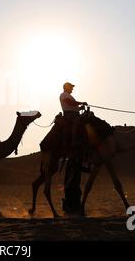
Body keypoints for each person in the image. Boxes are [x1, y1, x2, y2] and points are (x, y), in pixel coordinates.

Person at [59, 82, 88, 215]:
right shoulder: (64, 95)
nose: (72, 89)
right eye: (71, 87)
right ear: (66, 87)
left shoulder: (69, 96)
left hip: (74, 114)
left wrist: (80, 105)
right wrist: (80, 103)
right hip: (70, 116)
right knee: (79, 123)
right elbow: (70, 104)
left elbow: (74, 104)